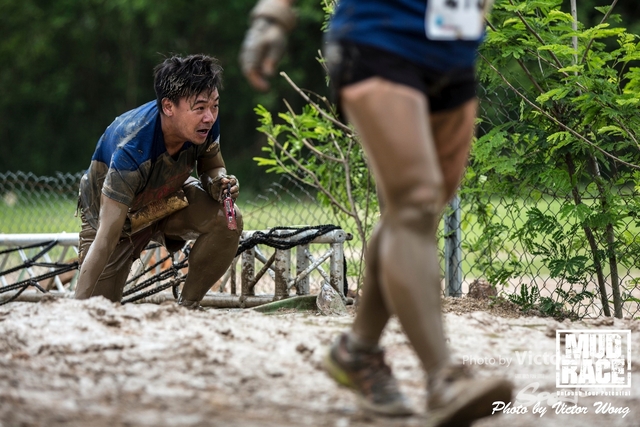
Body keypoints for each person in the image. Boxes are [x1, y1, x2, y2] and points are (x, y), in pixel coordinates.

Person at [240, 0, 512, 425]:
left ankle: (358, 350)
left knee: (416, 213)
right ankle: (443, 378)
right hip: (378, 34)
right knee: (415, 204)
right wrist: (273, 15)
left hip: (455, 44)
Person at [75, 54, 242, 310]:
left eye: (215, 106)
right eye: (200, 108)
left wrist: (218, 182)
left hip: (168, 199)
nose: (209, 117)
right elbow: (106, 237)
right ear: (168, 107)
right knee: (97, 309)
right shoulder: (132, 150)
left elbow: (212, 166)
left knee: (229, 219)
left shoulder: (205, 124)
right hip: (116, 222)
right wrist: (76, 311)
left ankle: (187, 307)